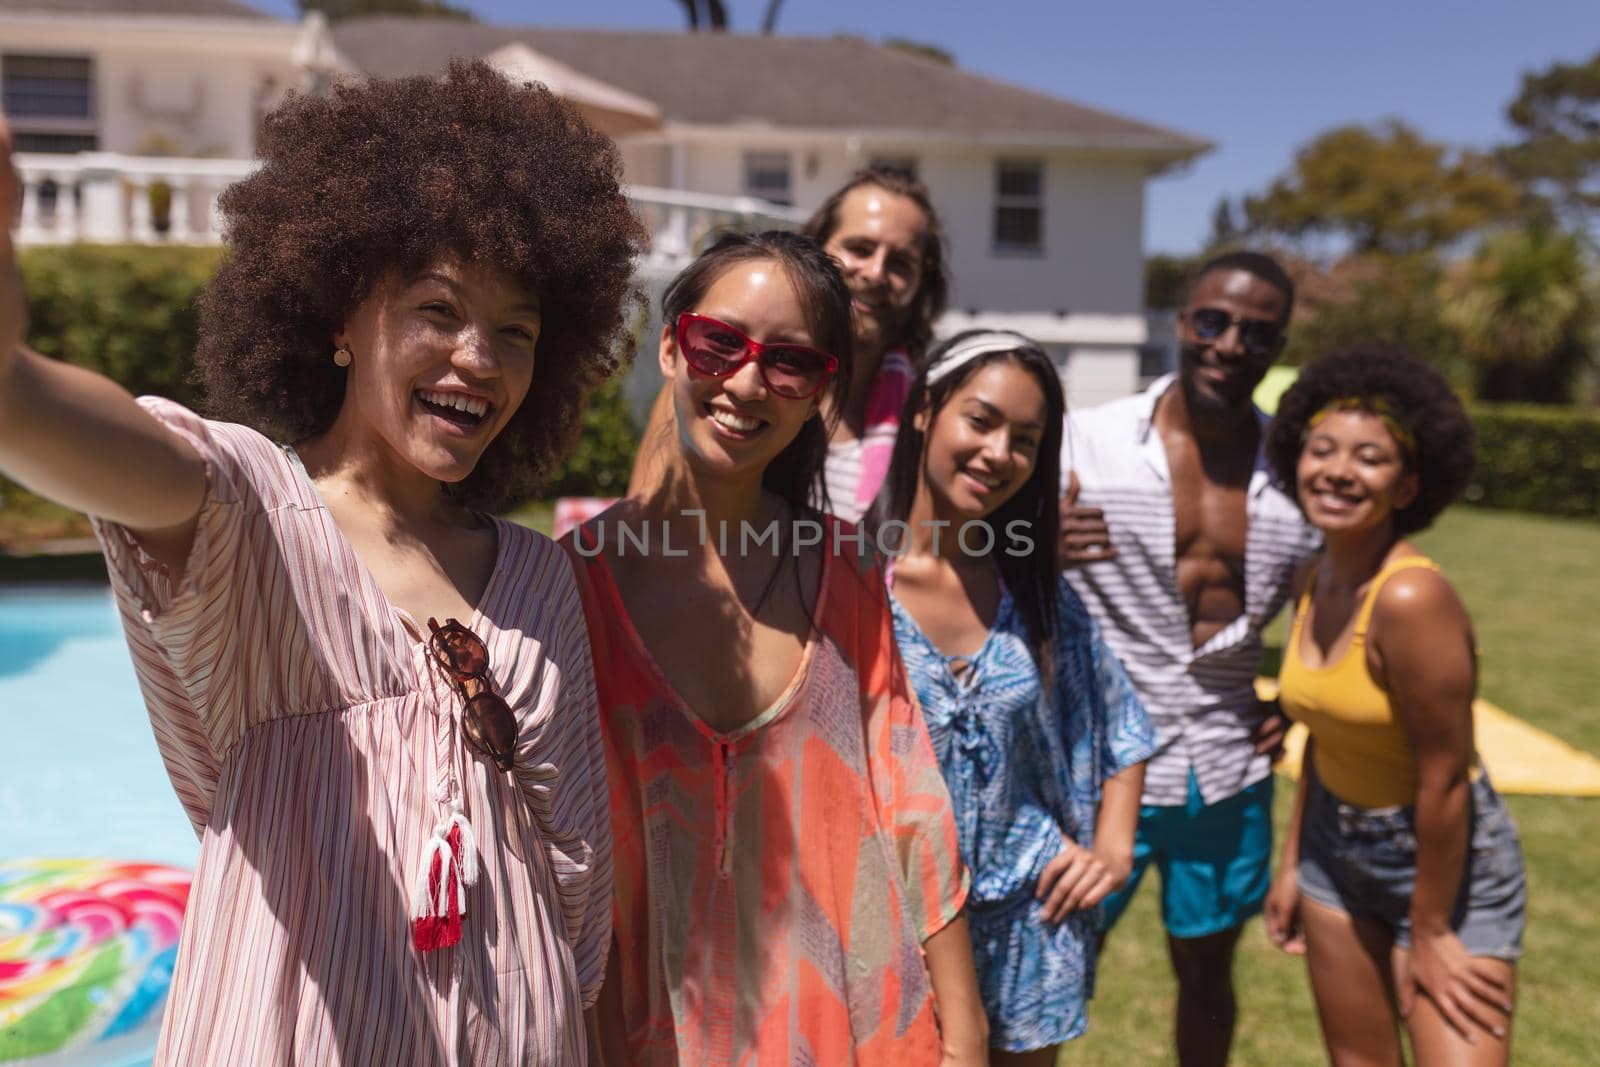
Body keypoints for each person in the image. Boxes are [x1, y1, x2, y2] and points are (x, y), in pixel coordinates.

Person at [0, 62, 645, 1063]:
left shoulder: (535, 575)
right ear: (343, 314)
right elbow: (100, 447)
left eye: (514, 331)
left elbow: (576, 872)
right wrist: (10, 380)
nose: (478, 357)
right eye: (438, 309)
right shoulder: (255, 515)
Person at [560, 231, 986, 1065]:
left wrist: (966, 1033)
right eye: (721, 342)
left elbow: (913, 807)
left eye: (790, 362)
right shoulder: (568, 585)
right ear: (673, 343)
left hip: (848, 1027)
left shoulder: (848, 572)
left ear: (821, 390)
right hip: (631, 1032)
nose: (749, 382)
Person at [862, 330, 1154, 1064]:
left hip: (1031, 923)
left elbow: (1122, 723)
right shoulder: (851, 581)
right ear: (927, 410)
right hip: (889, 925)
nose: (1000, 454)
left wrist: (1112, 850)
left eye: (1026, 440)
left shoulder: (1036, 592)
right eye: (982, 420)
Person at [1058, 251, 1320, 1066]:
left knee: (1207, 974)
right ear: (1181, 322)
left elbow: (1331, 610)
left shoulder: (1299, 476)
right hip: (1097, 762)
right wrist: (1030, 542)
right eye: (1213, 321)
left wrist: (1296, 700)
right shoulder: (1086, 443)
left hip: (1226, 766)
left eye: (1256, 332)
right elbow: (969, 544)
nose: (1229, 344)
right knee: (1055, 970)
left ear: (1276, 346)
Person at [1263, 346, 1525, 1067]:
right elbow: (1323, 734)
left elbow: (1443, 776)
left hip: (1442, 861)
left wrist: (1432, 926)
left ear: (1408, 484)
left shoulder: (1412, 597)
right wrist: (1292, 861)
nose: (1339, 470)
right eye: (1322, 450)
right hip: (1331, 847)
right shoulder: (1311, 579)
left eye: (1370, 458)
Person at [625, 164, 949, 521]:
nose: (875, 273)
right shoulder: (713, 391)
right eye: (860, 248)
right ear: (819, 248)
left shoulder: (922, 414)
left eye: (900, 264)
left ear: (922, 285)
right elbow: (643, 528)